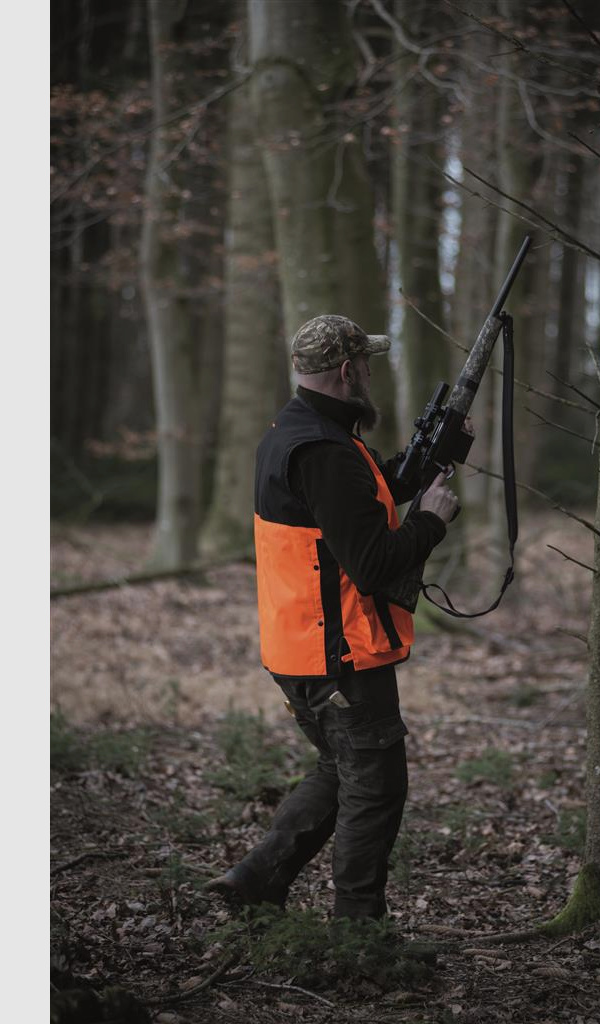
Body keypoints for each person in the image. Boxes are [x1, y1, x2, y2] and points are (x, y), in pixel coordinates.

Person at [204, 313, 463, 921]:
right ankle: (358, 935)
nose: (371, 372)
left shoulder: (295, 432)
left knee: (340, 767)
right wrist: (432, 521)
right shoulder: (326, 451)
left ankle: (256, 877)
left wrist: (432, 459)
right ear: (348, 371)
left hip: (298, 649)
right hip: (340, 656)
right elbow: (372, 562)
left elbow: (353, 512)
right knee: (376, 788)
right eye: (366, 363)